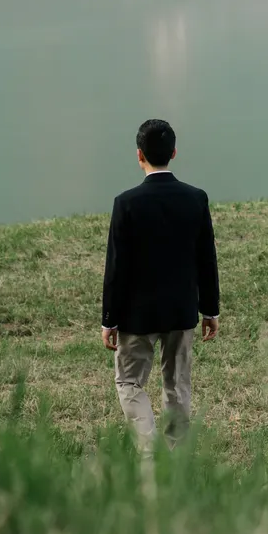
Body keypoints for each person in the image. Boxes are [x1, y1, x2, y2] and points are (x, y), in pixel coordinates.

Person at [102, 118, 220, 448]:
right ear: (174, 152)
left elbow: (116, 267)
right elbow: (206, 259)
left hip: (136, 315)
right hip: (181, 311)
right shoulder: (196, 198)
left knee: (129, 382)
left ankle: (148, 449)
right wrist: (210, 310)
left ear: (139, 155)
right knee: (177, 383)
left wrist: (109, 319)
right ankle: (175, 454)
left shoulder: (126, 203)